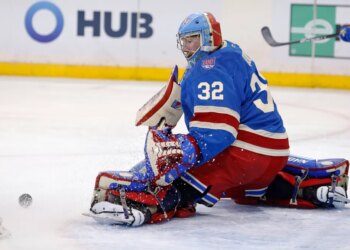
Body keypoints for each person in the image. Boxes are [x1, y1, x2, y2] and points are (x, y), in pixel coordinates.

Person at [87, 12, 349, 226]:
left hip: (245, 154)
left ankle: (140, 202)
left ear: (208, 38)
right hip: (272, 153)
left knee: (178, 178)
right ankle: (307, 186)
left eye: (192, 40)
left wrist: (181, 151)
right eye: (184, 41)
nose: (187, 47)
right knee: (236, 186)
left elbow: (219, 134)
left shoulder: (209, 69)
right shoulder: (230, 52)